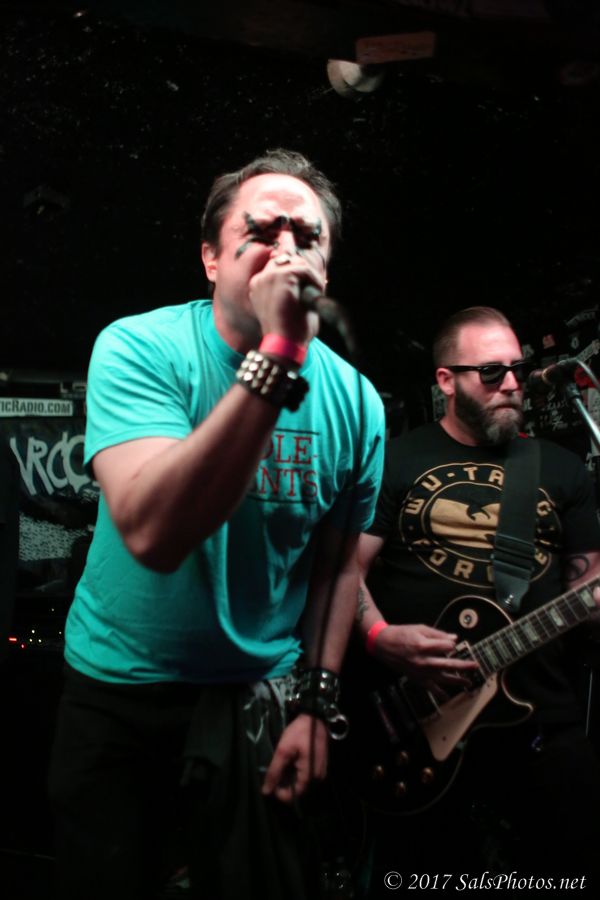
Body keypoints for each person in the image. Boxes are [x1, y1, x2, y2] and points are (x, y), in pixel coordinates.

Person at [48, 149, 385, 900]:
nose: (287, 248)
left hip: (257, 693)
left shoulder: (358, 403)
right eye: (261, 230)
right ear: (210, 258)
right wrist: (279, 353)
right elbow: (155, 534)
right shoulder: (139, 347)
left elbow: (337, 567)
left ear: (326, 268)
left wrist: (316, 704)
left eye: (309, 236)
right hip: (121, 690)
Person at [350, 306, 600, 895]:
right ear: (446, 381)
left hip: (541, 715)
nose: (511, 383)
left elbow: (586, 584)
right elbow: (343, 573)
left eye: (518, 370)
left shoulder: (561, 468)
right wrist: (379, 638)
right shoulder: (395, 460)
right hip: (417, 717)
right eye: (491, 372)